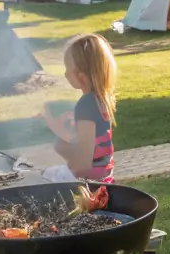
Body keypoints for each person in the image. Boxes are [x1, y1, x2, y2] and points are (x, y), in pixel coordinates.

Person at [40, 33, 118, 182]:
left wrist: (61, 148)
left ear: (80, 75)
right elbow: (82, 140)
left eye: (67, 68)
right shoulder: (100, 99)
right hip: (104, 179)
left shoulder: (86, 104)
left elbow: (83, 164)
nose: (65, 74)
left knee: (42, 177)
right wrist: (52, 123)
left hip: (88, 184)